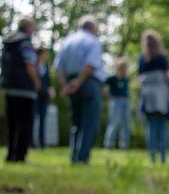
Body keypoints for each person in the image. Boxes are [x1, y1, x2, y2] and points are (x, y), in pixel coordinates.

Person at [55, 15, 106, 165]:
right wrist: (78, 82)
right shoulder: (92, 41)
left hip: (70, 82)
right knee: (90, 122)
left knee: (76, 122)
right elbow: (90, 65)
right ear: (92, 28)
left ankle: (74, 156)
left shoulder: (67, 42)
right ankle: (82, 157)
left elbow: (58, 67)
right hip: (88, 82)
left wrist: (65, 85)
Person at [1, 17, 40, 163]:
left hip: (9, 87)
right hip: (25, 89)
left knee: (12, 124)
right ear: (29, 27)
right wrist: (36, 81)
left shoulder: (8, 42)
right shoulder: (26, 42)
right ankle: (20, 156)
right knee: (25, 124)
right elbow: (29, 65)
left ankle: (10, 154)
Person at [138, 29, 169, 164]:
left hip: (147, 95)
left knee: (151, 127)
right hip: (160, 95)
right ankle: (163, 157)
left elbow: (140, 77)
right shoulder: (162, 58)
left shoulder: (142, 58)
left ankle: (152, 157)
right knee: (162, 126)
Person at [103, 57, 131, 149]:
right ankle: (109, 144)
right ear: (119, 68)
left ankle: (124, 145)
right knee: (114, 123)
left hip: (125, 101)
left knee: (126, 123)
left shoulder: (126, 79)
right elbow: (102, 86)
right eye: (124, 68)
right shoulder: (112, 78)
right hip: (115, 101)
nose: (125, 70)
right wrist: (108, 96)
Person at [34, 48, 54, 148]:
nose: (45, 56)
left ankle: (42, 143)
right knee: (33, 119)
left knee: (43, 120)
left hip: (44, 96)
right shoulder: (34, 65)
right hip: (35, 96)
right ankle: (31, 142)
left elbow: (48, 80)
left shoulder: (46, 66)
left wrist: (50, 89)